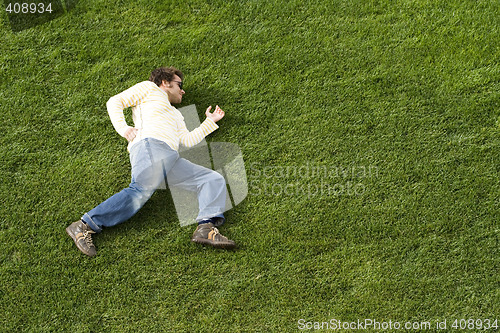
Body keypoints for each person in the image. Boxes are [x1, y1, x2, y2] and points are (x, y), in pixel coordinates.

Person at [66, 66, 236, 256]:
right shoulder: (149, 89)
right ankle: (84, 225)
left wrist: (209, 122)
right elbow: (115, 102)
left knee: (211, 180)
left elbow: (186, 140)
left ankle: (206, 228)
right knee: (140, 190)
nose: (183, 90)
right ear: (165, 82)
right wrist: (124, 129)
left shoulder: (176, 114)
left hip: (170, 156)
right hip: (150, 146)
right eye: (180, 84)